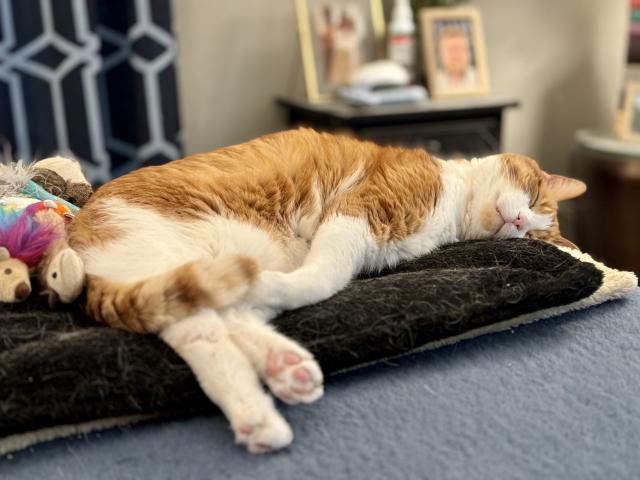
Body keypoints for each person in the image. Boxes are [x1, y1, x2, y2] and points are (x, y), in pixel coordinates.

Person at [435, 25, 477, 91]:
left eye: (460, 48)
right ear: (440, 54)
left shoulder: (480, 78)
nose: (456, 54)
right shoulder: (434, 82)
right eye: (451, 49)